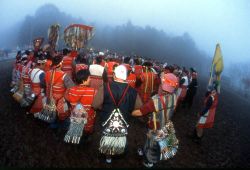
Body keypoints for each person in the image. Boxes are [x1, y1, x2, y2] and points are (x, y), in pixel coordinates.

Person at [92, 65, 143, 164]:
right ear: (126, 77)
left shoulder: (105, 87)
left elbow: (95, 105)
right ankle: (118, 152)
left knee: (107, 137)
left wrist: (104, 108)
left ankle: (108, 157)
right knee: (120, 137)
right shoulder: (133, 91)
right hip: (124, 119)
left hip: (106, 118)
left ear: (114, 75)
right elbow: (139, 107)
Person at [132, 73, 179, 168]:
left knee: (152, 144)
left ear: (162, 85)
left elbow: (139, 112)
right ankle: (144, 151)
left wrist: (130, 112)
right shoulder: (174, 97)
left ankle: (149, 162)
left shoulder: (156, 101)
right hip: (165, 123)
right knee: (150, 140)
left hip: (155, 127)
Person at [40, 53, 75, 128]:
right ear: (60, 63)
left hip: (49, 98)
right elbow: (72, 88)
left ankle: (52, 123)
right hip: (60, 100)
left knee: (52, 112)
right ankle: (62, 124)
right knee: (63, 111)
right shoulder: (64, 75)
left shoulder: (47, 73)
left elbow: (42, 84)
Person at [64, 69, 96, 143]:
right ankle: (85, 141)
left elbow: (66, 97)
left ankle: (77, 141)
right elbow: (96, 105)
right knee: (86, 133)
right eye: (89, 78)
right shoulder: (93, 91)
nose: (90, 79)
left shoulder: (70, 90)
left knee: (77, 132)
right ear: (84, 80)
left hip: (75, 117)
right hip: (87, 119)